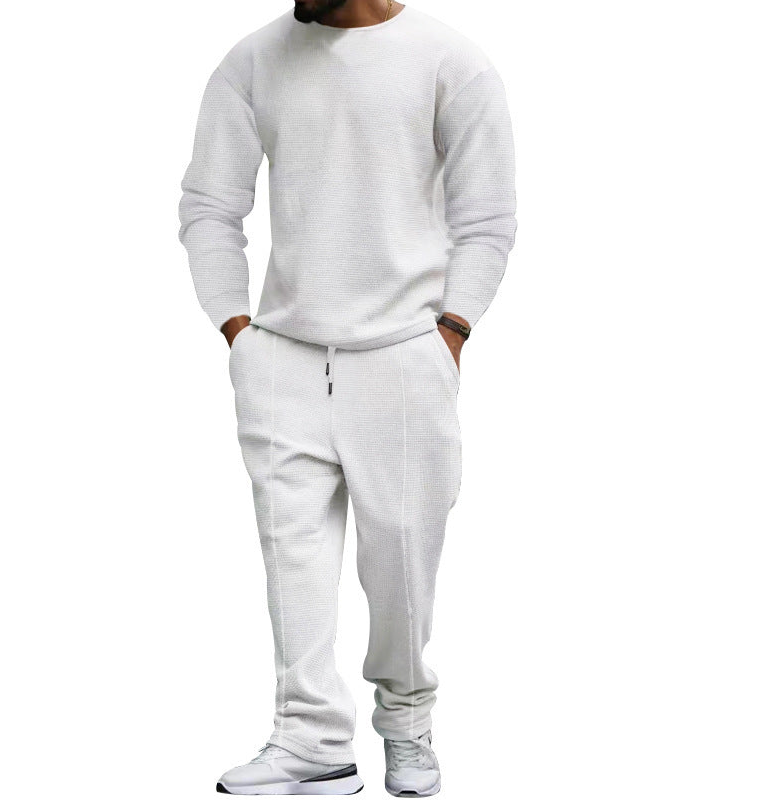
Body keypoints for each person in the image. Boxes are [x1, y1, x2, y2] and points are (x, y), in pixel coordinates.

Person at [177, 0, 516, 794]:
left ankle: (407, 721)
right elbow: (209, 206)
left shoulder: (449, 61)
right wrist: (236, 328)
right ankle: (311, 741)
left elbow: (488, 217)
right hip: (281, 358)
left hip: (404, 354)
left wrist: (453, 329)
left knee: (402, 565)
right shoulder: (252, 61)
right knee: (291, 561)